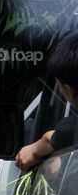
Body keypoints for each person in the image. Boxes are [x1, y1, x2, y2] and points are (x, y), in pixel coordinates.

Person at [15, 31, 78, 169]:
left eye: (59, 85)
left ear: (69, 90)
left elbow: (55, 138)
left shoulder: (69, 130)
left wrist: (36, 148)